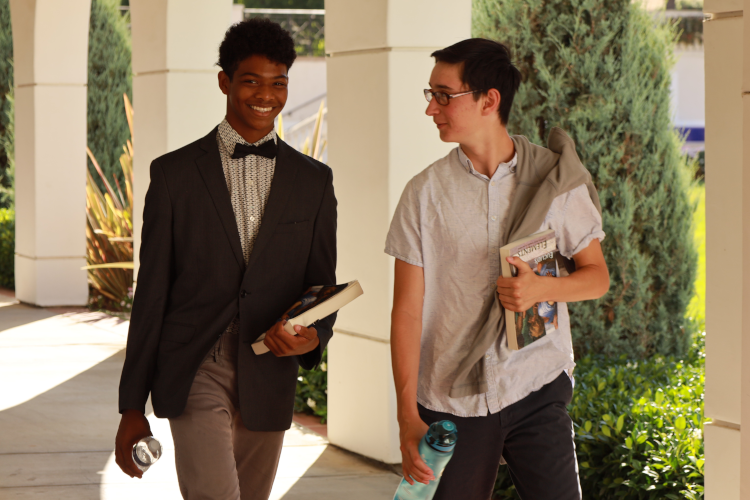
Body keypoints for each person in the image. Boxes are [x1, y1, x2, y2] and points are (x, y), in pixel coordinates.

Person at [115, 18, 336, 500]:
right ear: (225, 82)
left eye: (279, 83)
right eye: (252, 80)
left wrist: (312, 335)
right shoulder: (173, 175)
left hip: (269, 369)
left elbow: (321, 286)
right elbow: (152, 292)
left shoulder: (314, 182)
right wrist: (132, 405)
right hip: (196, 363)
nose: (267, 95)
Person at [386, 38, 610, 500]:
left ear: (490, 100)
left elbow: (596, 277)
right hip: (451, 397)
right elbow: (407, 311)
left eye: (444, 95)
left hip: (536, 383)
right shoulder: (423, 194)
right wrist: (407, 414)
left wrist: (542, 289)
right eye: (430, 95)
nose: (432, 109)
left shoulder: (553, 182)